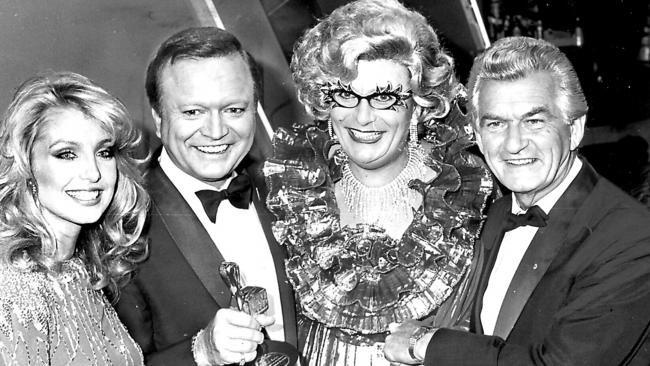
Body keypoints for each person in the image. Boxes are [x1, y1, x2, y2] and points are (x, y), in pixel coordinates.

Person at [384, 36, 650, 366]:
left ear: (575, 129)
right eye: (496, 124)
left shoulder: (634, 239)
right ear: (478, 137)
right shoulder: (491, 214)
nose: (514, 144)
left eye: (534, 121)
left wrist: (427, 344)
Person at [263, 0, 493, 364]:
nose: (363, 116)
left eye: (385, 97)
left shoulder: (462, 196)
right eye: (345, 94)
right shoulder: (294, 192)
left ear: (419, 102)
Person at [113, 27, 298, 365]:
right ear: (157, 117)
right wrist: (202, 353)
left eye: (234, 110)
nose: (216, 132)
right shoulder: (121, 227)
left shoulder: (289, 189)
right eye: (193, 112)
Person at [0, 71, 150, 365]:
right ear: (26, 165)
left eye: (104, 152)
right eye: (67, 154)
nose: (93, 173)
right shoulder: (13, 290)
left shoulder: (79, 271)